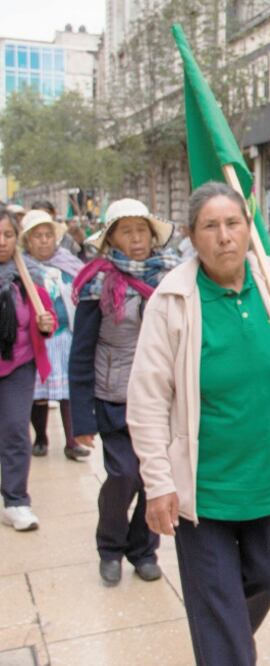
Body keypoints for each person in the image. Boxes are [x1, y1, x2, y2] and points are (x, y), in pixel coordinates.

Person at [127, 182, 270, 665]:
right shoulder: (172, 300)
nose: (224, 236)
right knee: (219, 615)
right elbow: (147, 398)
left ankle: (223, 636)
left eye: (233, 223)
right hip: (204, 487)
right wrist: (157, 483)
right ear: (193, 238)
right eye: (210, 227)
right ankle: (225, 646)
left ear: (249, 229)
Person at [69, 198, 179, 586]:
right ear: (111, 238)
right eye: (126, 231)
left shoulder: (173, 279)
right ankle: (110, 547)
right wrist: (80, 419)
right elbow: (80, 354)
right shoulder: (97, 284)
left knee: (156, 479)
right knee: (124, 474)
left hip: (163, 399)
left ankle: (144, 550)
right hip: (114, 397)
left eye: (142, 230)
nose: (136, 239)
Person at [0, 205, 57, 532]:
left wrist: (46, 324)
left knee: (14, 430)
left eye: (8, 235)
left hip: (19, 366)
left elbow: (46, 317)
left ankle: (16, 501)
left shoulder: (27, 277)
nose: (3, 242)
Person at [19, 210, 90, 462]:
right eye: (37, 236)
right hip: (37, 340)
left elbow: (82, 294)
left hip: (66, 335)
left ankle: (72, 442)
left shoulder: (69, 264)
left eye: (48, 235)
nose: (44, 240)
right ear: (28, 241)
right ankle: (40, 437)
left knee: (68, 391)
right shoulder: (20, 269)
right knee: (38, 393)